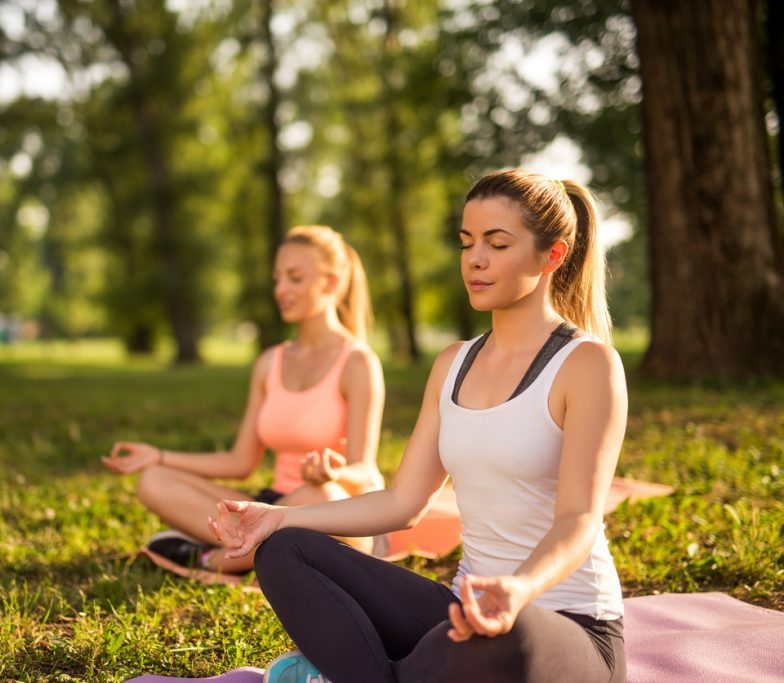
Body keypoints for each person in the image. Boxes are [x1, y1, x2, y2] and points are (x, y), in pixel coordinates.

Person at [210, 169, 628, 682]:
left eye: (497, 244)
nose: (475, 259)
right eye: (467, 242)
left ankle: (359, 672)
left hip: (566, 627)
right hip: (461, 615)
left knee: (503, 636)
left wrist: (518, 590)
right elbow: (402, 503)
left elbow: (579, 520)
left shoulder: (587, 365)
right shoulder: (453, 364)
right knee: (283, 550)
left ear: (553, 256)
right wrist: (277, 517)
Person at [103, 225, 385, 574]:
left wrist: (333, 471)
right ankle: (252, 548)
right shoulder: (270, 362)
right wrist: (158, 456)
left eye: (294, 278)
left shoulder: (358, 362)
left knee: (322, 495)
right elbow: (240, 461)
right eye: (277, 278)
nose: (281, 289)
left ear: (330, 283)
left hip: (330, 509)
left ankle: (212, 559)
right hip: (270, 505)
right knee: (153, 480)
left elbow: (367, 473)